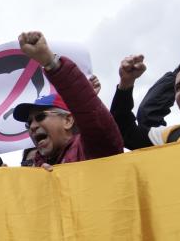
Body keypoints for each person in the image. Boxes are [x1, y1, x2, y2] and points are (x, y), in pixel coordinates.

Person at [12, 31, 123, 166]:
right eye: (28, 123)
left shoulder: (94, 148)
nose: (33, 126)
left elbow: (86, 106)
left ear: (68, 120)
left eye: (40, 117)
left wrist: (49, 61)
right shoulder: (35, 170)